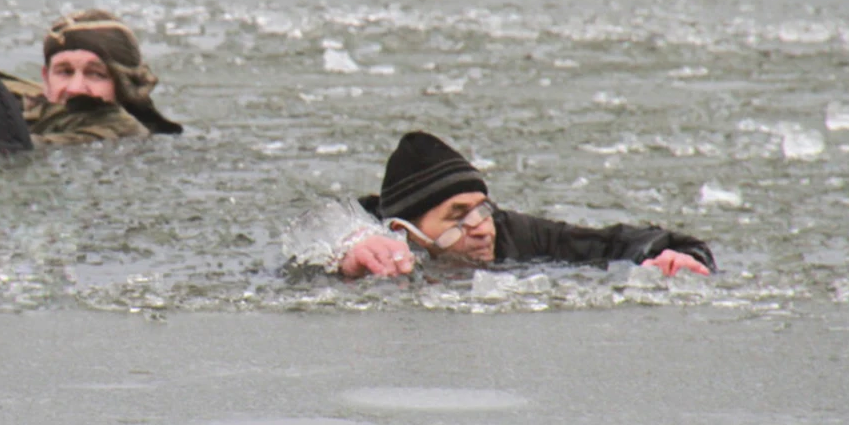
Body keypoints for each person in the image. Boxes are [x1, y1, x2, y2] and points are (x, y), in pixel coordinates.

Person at [282, 131, 716, 280]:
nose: (482, 228)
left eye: (481, 209)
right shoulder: (376, 246)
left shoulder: (512, 232)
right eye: (456, 216)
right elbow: (297, 249)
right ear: (406, 232)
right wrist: (346, 256)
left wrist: (671, 258)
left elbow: (624, 242)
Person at [0, 9, 182, 147]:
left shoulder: (121, 131)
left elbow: (23, 150)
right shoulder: (17, 99)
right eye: (64, 72)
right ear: (46, 79)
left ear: (124, 85)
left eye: (96, 74)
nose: (76, 88)